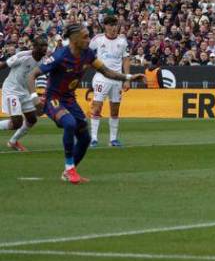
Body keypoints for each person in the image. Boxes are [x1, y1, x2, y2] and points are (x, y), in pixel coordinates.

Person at [40, 23, 144, 184]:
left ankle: (69, 170)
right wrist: (34, 97)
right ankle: (69, 169)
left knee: (85, 138)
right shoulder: (60, 55)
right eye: (85, 36)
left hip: (69, 99)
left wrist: (129, 77)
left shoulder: (87, 54)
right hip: (53, 98)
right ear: (74, 39)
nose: (89, 39)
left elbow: (107, 72)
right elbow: (32, 74)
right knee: (69, 123)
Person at [89, 15, 130, 147]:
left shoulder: (122, 41)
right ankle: (93, 138)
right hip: (102, 78)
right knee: (97, 107)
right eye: (111, 25)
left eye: (115, 25)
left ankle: (113, 139)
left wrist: (127, 78)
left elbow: (126, 59)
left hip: (117, 79)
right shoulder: (98, 39)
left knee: (115, 109)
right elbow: (87, 53)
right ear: (105, 26)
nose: (113, 28)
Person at [2, 37, 48, 152]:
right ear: (35, 48)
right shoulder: (23, 56)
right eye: (42, 49)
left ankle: (13, 142)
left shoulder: (43, 60)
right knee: (17, 122)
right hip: (11, 90)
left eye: (45, 49)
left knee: (32, 119)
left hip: (25, 92)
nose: (44, 52)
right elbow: (4, 65)